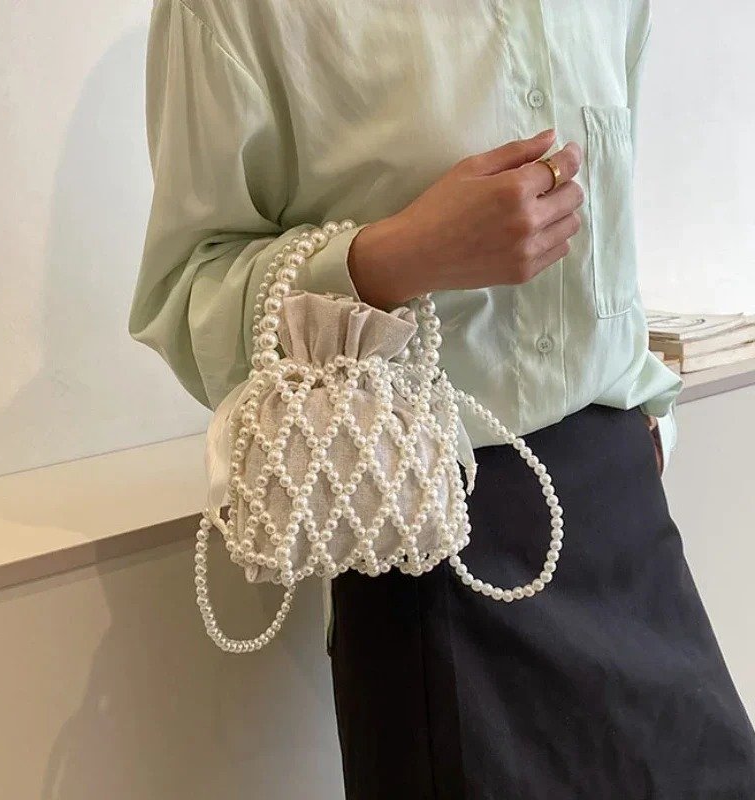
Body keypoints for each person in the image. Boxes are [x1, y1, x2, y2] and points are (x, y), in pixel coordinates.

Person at [128, 0, 755, 796]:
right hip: (427, 542)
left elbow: (608, 239)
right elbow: (188, 299)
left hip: (622, 511)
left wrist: (647, 420)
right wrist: (395, 256)